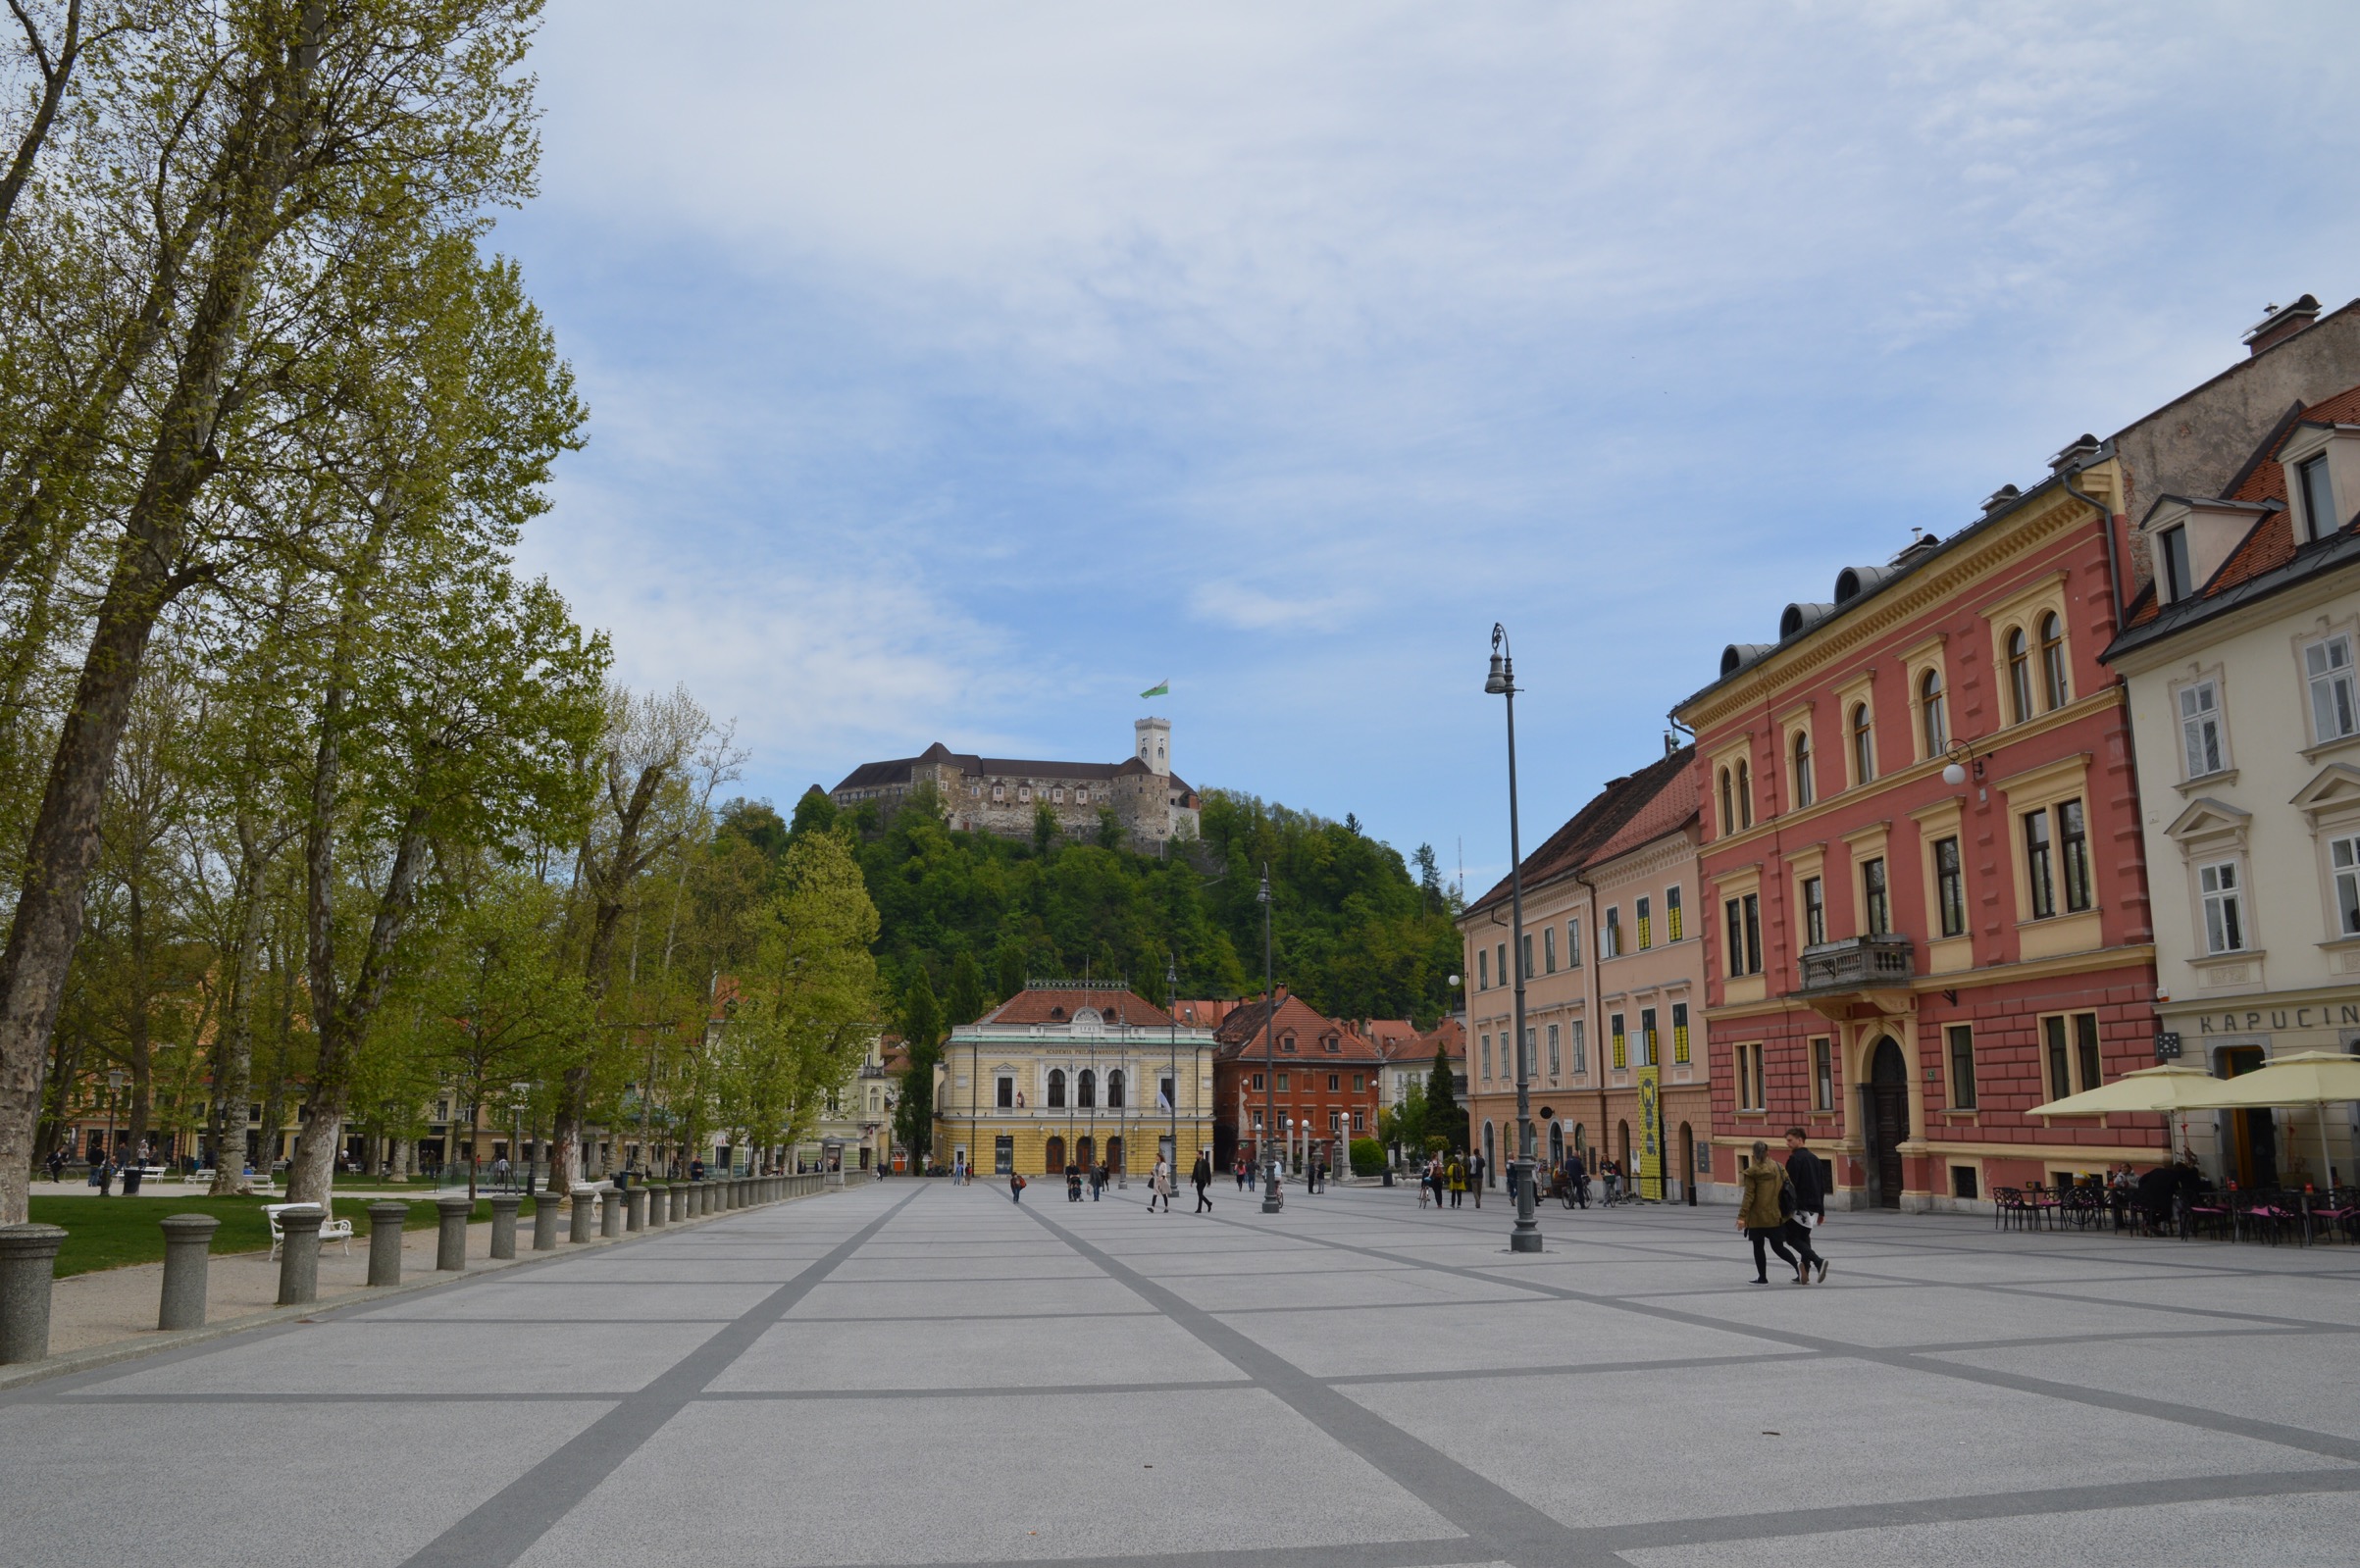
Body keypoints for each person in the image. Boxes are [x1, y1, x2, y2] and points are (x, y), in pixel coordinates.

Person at [1739, 1140, 1801, 1285]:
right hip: (1775, 1214)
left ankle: (1762, 1277)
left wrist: (1742, 1216)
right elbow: (1788, 1186)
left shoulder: (1752, 1172)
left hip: (1757, 1217)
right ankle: (1797, 1266)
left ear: (1754, 1155)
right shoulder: (1779, 1167)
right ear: (1768, 1152)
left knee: (1758, 1246)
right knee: (1778, 1247)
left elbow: (1749, 1196)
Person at [1781, 1128, 1830, 1284]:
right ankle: (1805, 1273)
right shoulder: (1815, 1158)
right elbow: (1822, 1186)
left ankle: (1818, 1261)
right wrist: (1821, 1211)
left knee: (1791, 1238)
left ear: (1800, 1139)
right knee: (1804, 1237)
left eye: (1790, 1140)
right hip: (1814, 1206)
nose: (1787, 1144)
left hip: (1799, 1207)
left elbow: (1789, 1185)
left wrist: (1784, 1206)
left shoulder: (1795, 1159)